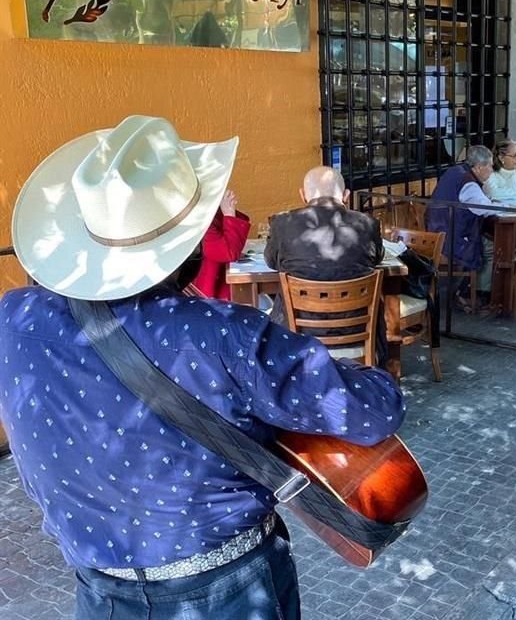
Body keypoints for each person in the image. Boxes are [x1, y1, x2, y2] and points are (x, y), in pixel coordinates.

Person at [0, 115, 405, 618]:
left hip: (98, 590)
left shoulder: (14, 318)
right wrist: (364, 371)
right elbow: (373, 411)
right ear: (193, 242)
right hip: (227, 589)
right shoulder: (222, 334)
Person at [265, 166, 384, 328]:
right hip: (359, 328)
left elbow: (271, 262)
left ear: (303, 195)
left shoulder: (282, 223)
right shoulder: (368, 224)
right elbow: (377, 258)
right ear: (346, 196)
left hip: (297, 334)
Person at [426, 145, 499, 304]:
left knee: (484, 240)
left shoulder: (455, 171)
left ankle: (467, 290)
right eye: (490, 165)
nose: (492, 170)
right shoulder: (469, 183)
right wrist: (503, 207)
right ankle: (474, 294)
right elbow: (484, 210)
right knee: (493, 247)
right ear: (479, 167)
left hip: (437, 232)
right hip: (451, 238)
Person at [190, 188, 251, 300]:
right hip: (207, 292)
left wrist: (227, 209)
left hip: (218, 284)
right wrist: (229, 214)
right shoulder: (198, 217)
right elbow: (226, 252)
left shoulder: (209, 210)